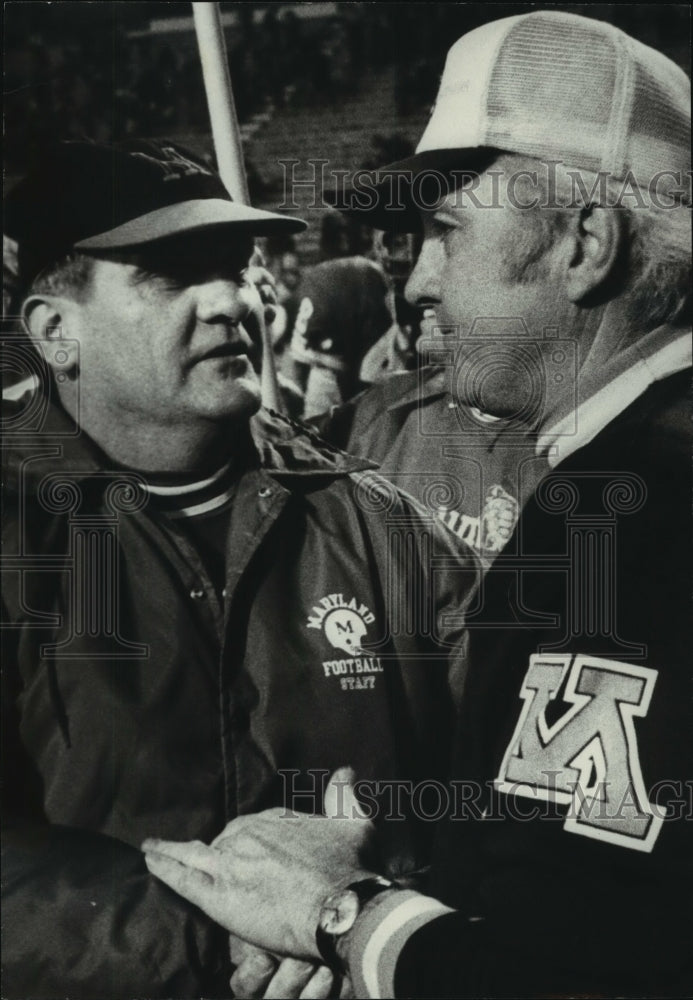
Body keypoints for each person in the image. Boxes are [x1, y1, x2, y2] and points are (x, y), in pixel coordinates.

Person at [143, 11, 692, 998]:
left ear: (584, 244)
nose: (420, 282)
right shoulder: (619, 469)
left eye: (446, 231)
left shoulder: (645, 505)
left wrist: (349, 915)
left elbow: (590, 968)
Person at [1, 139, 480, 998]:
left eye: (233, 265)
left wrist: (358, 907)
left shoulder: (374, 521)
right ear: (55, 332)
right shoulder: (15, 541)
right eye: (172, 274)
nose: (232, 299)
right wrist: (234, 939)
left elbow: (495, 780)